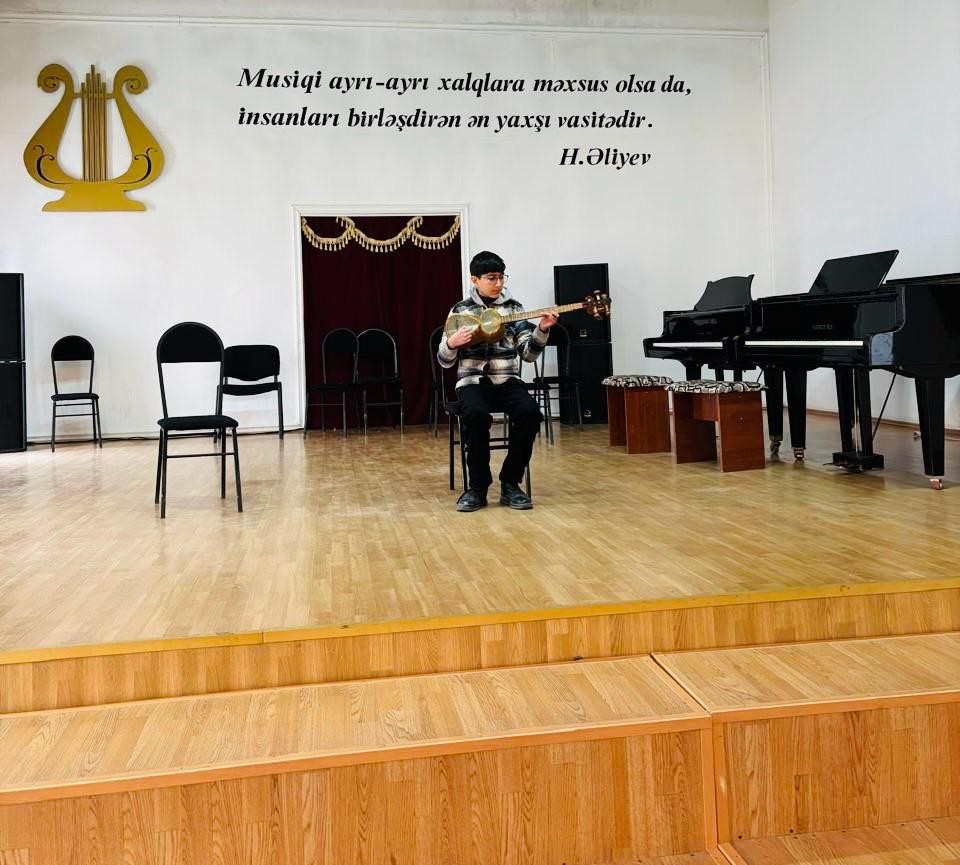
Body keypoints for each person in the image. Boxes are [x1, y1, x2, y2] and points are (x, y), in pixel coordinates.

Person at [438, 250, 557, 511]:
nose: (499, 283)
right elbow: (444, 360)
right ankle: (478, 488)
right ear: (475, 279)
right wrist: (452, 343)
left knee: (530, 413)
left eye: (502, 277)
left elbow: (528, 355)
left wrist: (541, 330)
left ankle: (511, 484)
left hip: (507, 380)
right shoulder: (460, 310)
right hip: (472, 382)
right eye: (492, 278)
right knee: (476, 415)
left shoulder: (514, 308)